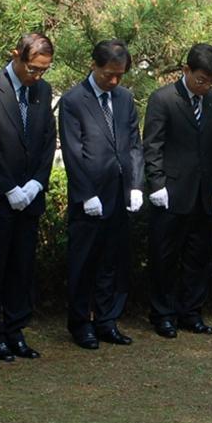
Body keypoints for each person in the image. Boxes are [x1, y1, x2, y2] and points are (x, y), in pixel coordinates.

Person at [0, 32, 57, 362]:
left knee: (22, 267)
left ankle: (16, 330)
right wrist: (9, 188)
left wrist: (37, 183)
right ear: (16, 55)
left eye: (43, 70)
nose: (37, 76)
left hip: (29, 195)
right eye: (33, 69)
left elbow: (48, 137)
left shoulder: (42, 90)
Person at [58, 40, 145, 350]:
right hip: (90, 197)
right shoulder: (73, 101)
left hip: (120, 193)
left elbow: (134, 144)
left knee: (113, 262)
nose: (114, 81)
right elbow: (73, 151)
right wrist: (85, 193)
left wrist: (136, 184)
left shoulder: (124, 99)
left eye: (120, 75)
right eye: (109, 74)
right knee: (84, 263)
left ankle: (107, 320)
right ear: (93, 65)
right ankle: (81, 324)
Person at [144, 43, 212, 338]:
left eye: (211, 81)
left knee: (199, 256)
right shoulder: (163, 99)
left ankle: (191, 312)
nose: (206, 86)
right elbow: (152, 145)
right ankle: (163, 314)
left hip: (204, 192)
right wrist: (156, 184)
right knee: (165, 256)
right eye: (201, 80)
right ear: (186, 71)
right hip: (171, 190)